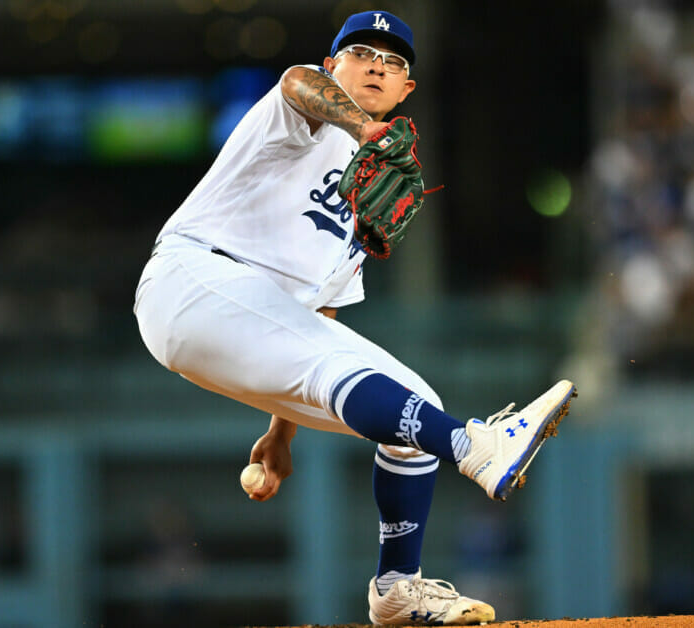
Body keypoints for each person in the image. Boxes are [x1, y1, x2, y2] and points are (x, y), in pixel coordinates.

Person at [133, 9, 576, 625]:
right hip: (191, 279)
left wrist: (282, 431)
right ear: (333, 63)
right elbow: (296, 83)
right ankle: (472, 444)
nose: (377, 64)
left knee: (412, 401)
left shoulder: (376, 186)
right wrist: (362, 127)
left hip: (248, 314)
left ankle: (397, 588)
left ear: (407, 90)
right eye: (362, 52)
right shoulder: (303, 111)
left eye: (394, 61)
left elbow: (317, 318)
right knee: (411, 410)